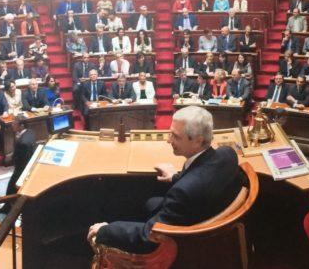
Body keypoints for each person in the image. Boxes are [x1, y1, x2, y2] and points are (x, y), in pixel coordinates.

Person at [88, 106, 242, 253]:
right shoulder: (227, 153)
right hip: (207, 210)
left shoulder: (183, 192)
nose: (168, 140)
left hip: (186, 242)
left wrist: (106, 230)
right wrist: (176, 177)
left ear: (198, 140)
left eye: (175, 136)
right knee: (149, 202)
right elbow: (202, 175)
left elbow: (148, 237)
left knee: (132, 202)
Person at [0, 115, 37, 213]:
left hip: (22, 168)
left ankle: (7, 208)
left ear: (21, 126)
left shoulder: (23, 142)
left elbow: (22, 160)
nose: (12, 125)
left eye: (14, 123)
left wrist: (16, 168)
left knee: (11, 187)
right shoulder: (31, 132)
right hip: (28, 163)